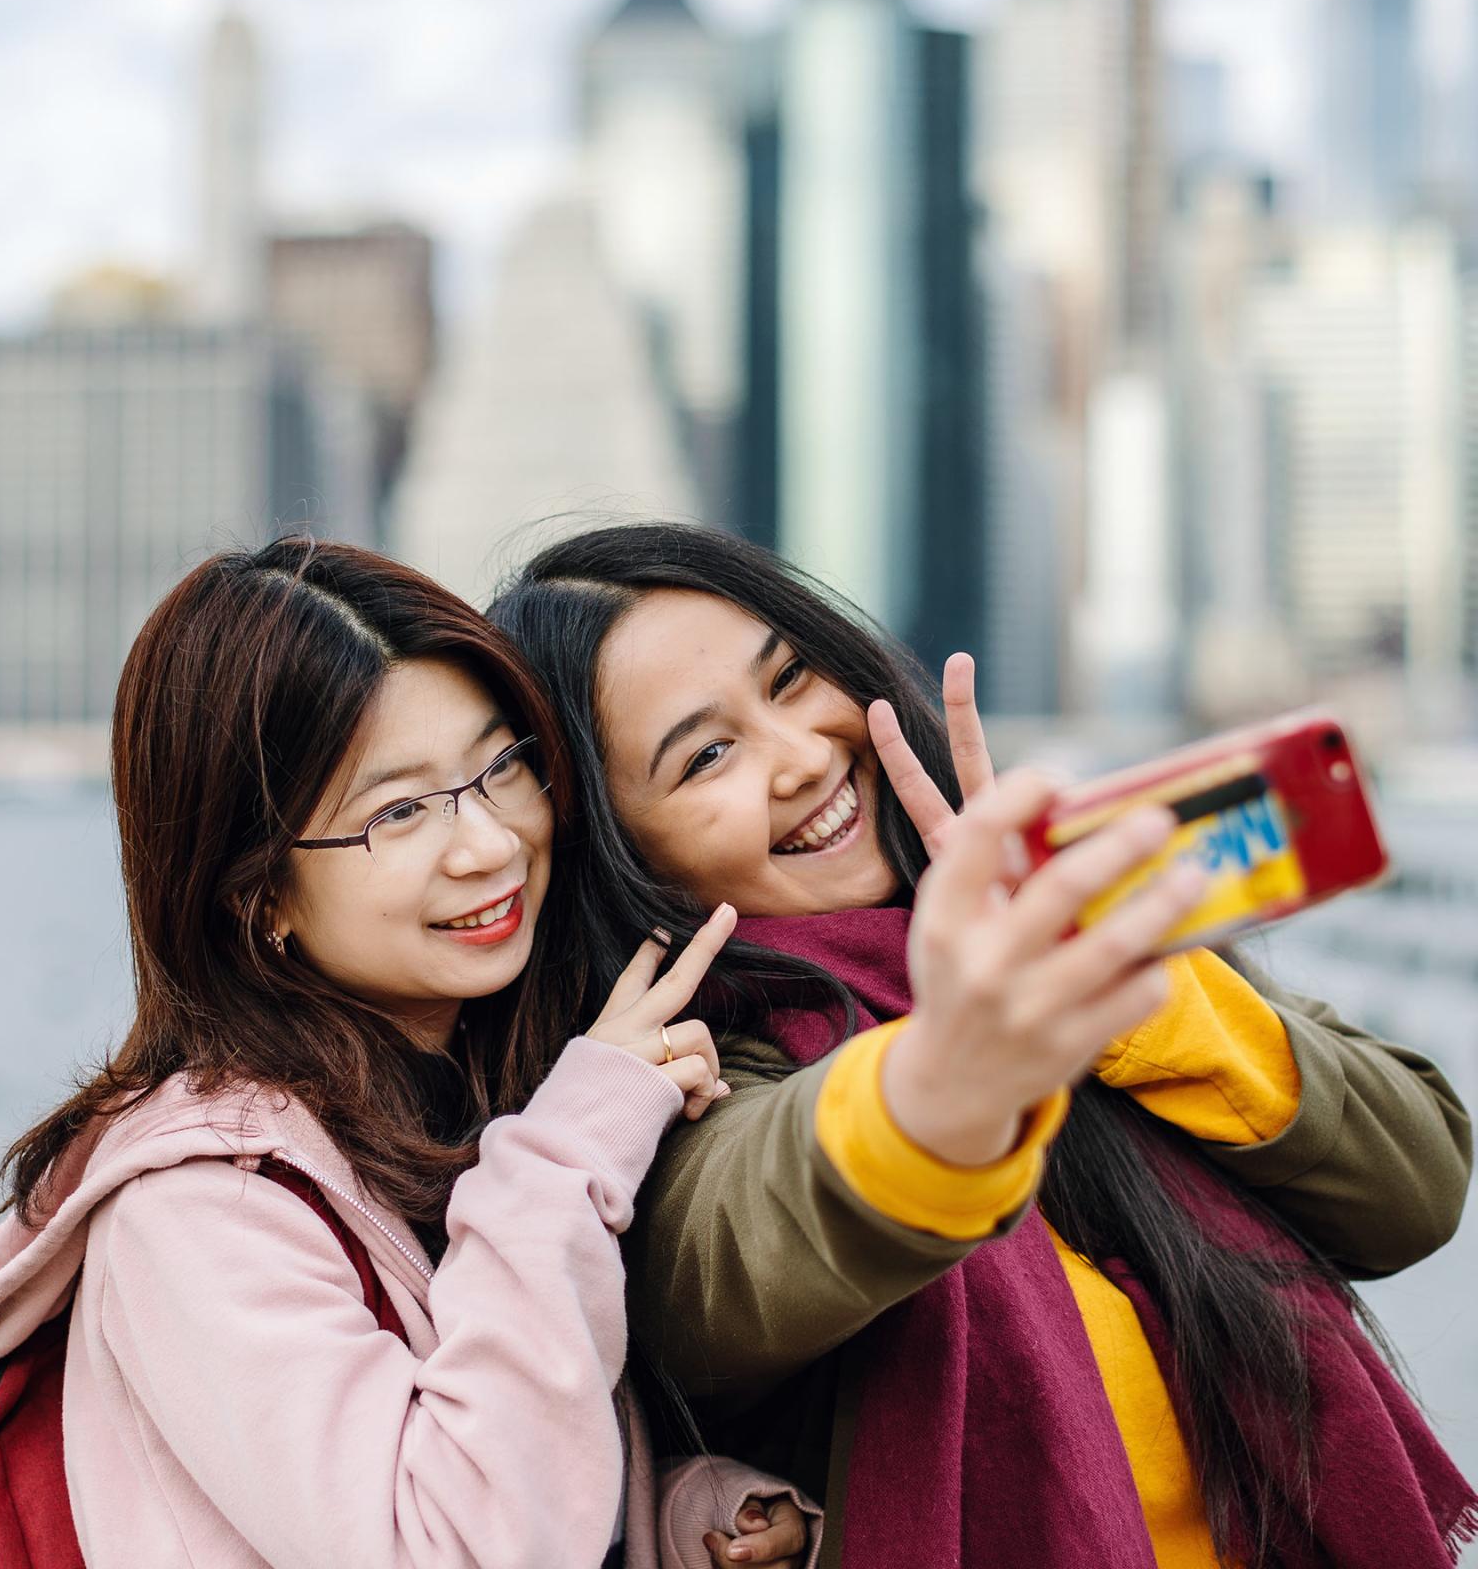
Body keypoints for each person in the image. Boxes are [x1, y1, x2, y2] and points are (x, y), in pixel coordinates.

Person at [489, 521, 1476, 1569]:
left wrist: (1110, 982)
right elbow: (742, 1234)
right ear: (624, 856)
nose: (802, 756)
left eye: (788, 681)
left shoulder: (1071, 916)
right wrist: (958, 1061)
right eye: (708, 756)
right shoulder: (674, 1094)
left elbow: (1413, 1181)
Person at [0, 538, 818, 1569]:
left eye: (500, 765)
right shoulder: (203, 1208)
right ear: (255, 895)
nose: (487, 842)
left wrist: (685, 1513)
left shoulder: (461, 1097)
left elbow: (479, 1451)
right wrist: (572, 1146)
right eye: (396, 812)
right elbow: (448, 1548)